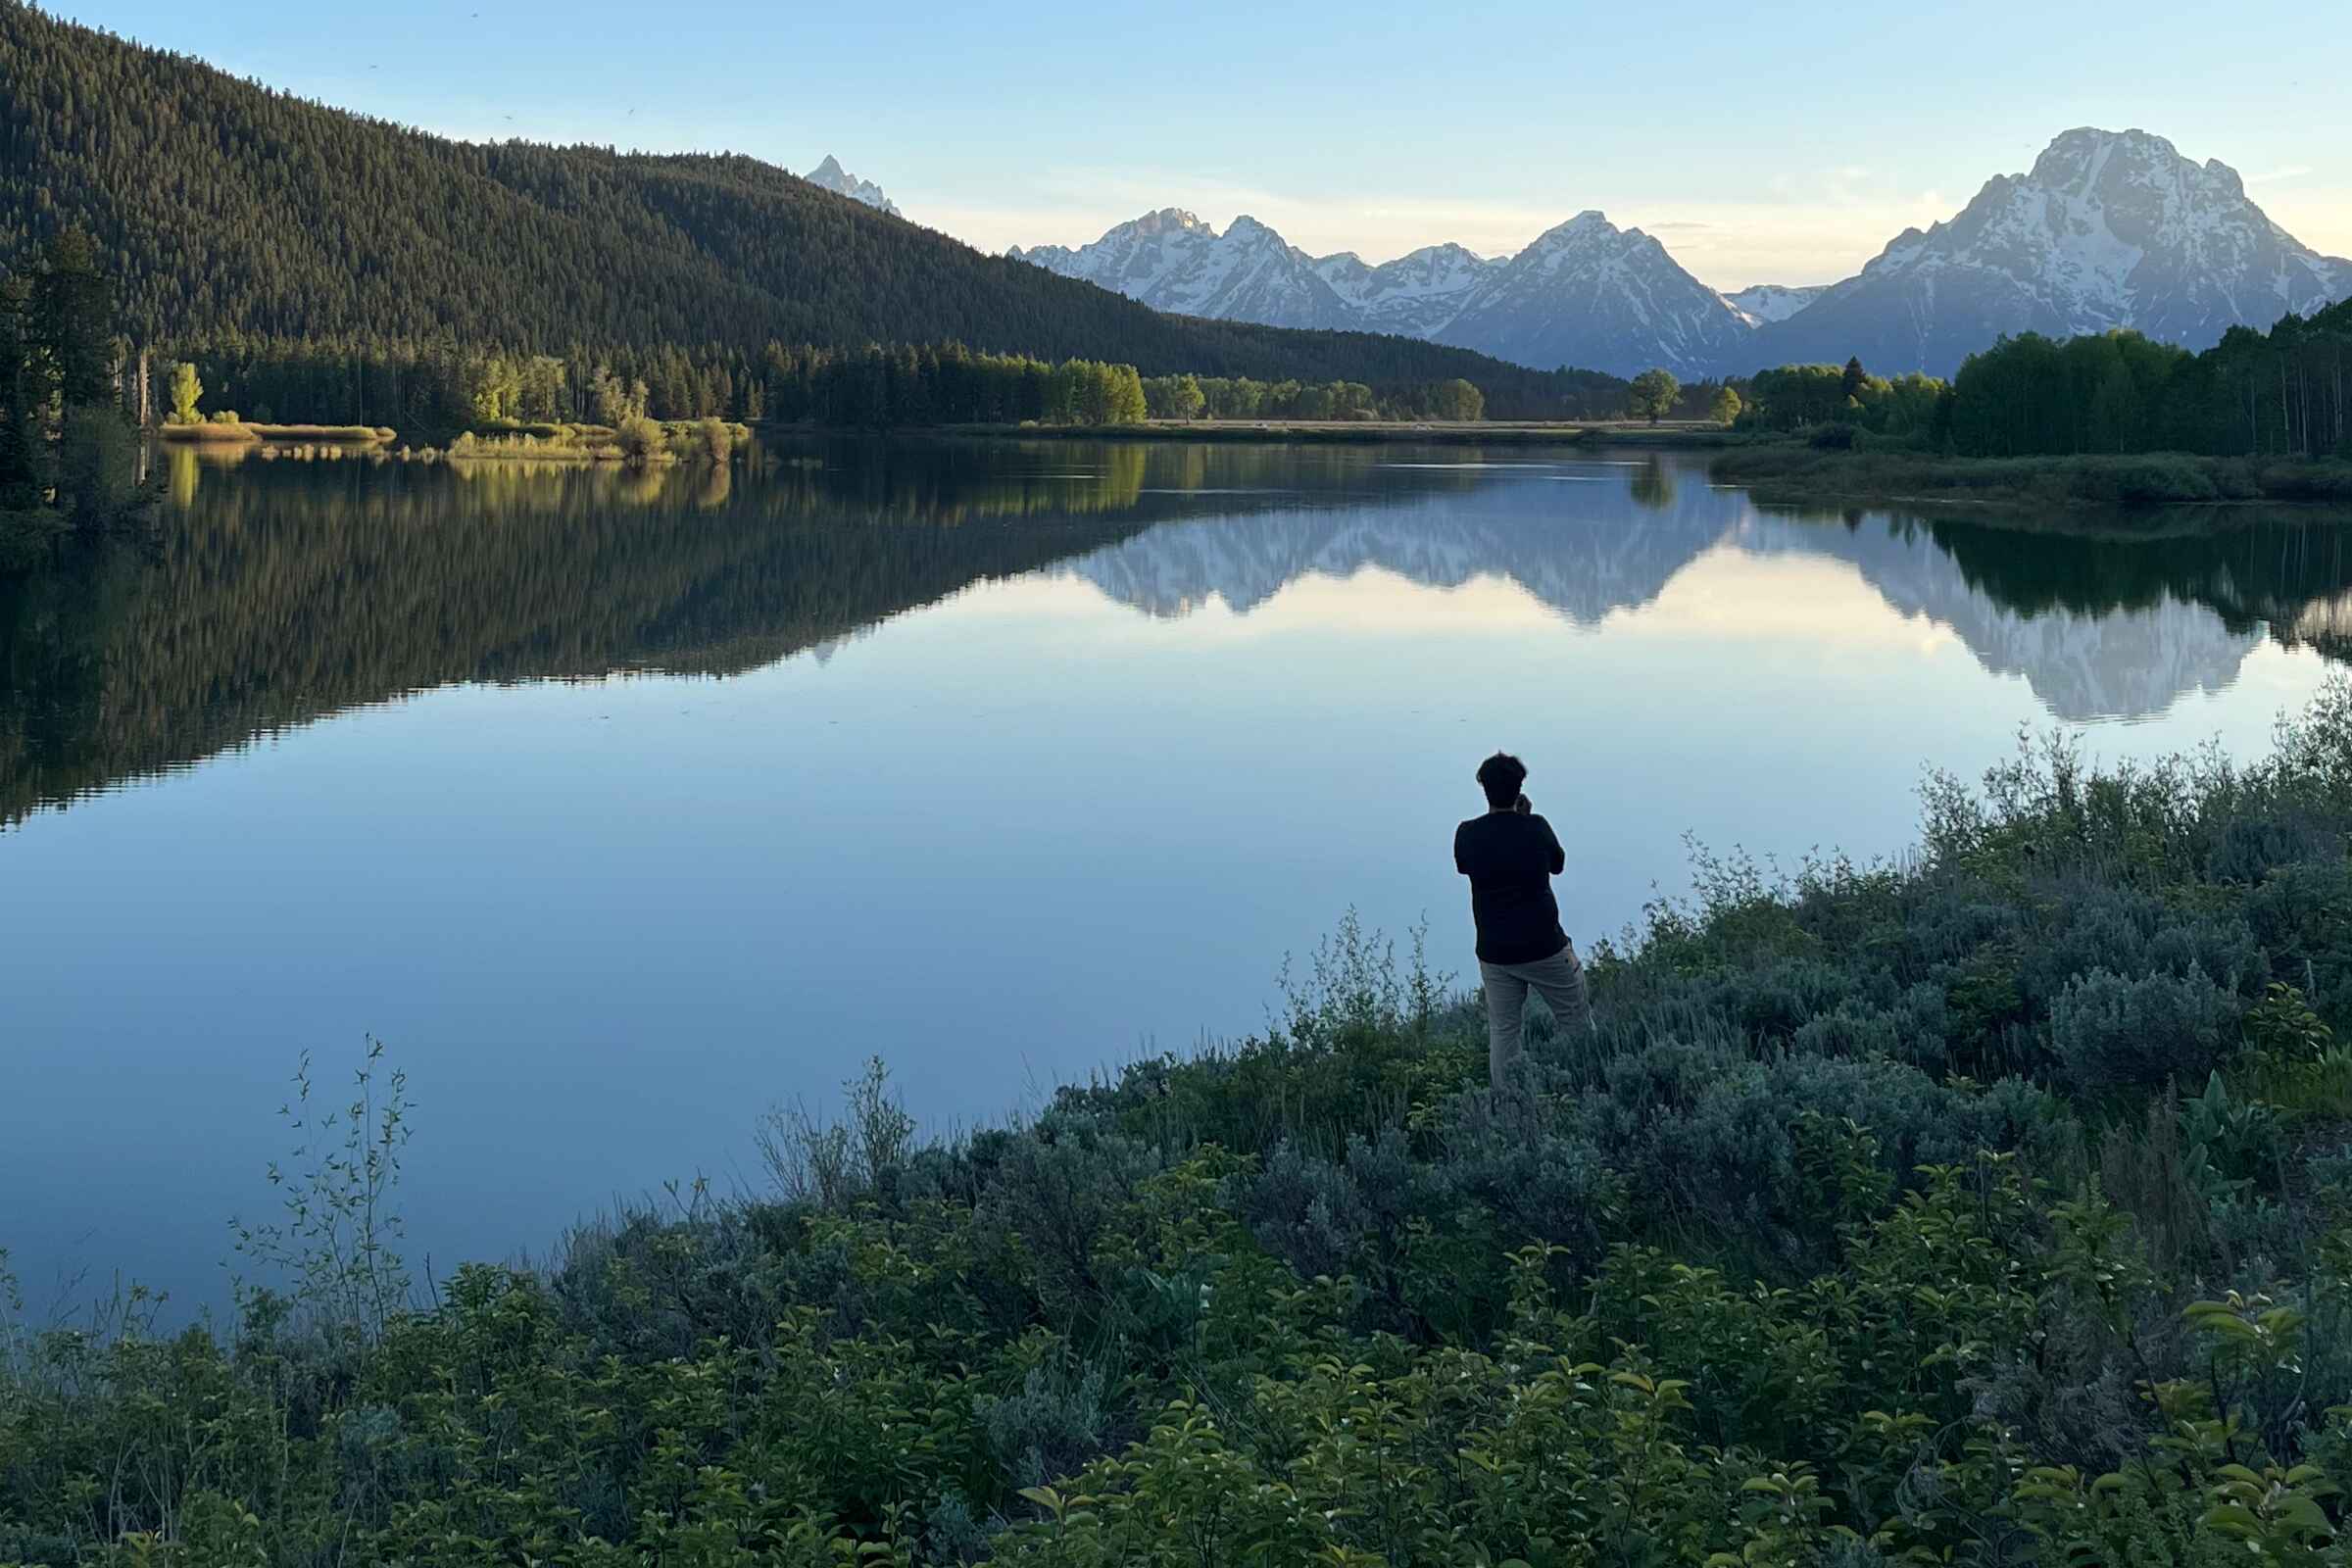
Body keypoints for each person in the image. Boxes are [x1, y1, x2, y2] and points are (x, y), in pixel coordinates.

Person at [1453, 751, 1590, 1090]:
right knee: (1576, 1021)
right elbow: (1557, 864)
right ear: (1519, 788)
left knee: (1504, 1032)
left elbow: (1464, 865)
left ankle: (1508, 1104)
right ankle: (1592, 1085)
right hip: (1545, 947)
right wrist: (1524, 818)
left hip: (1495, 953)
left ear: (1484, 788)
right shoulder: (1536, 827)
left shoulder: (1467, 834)